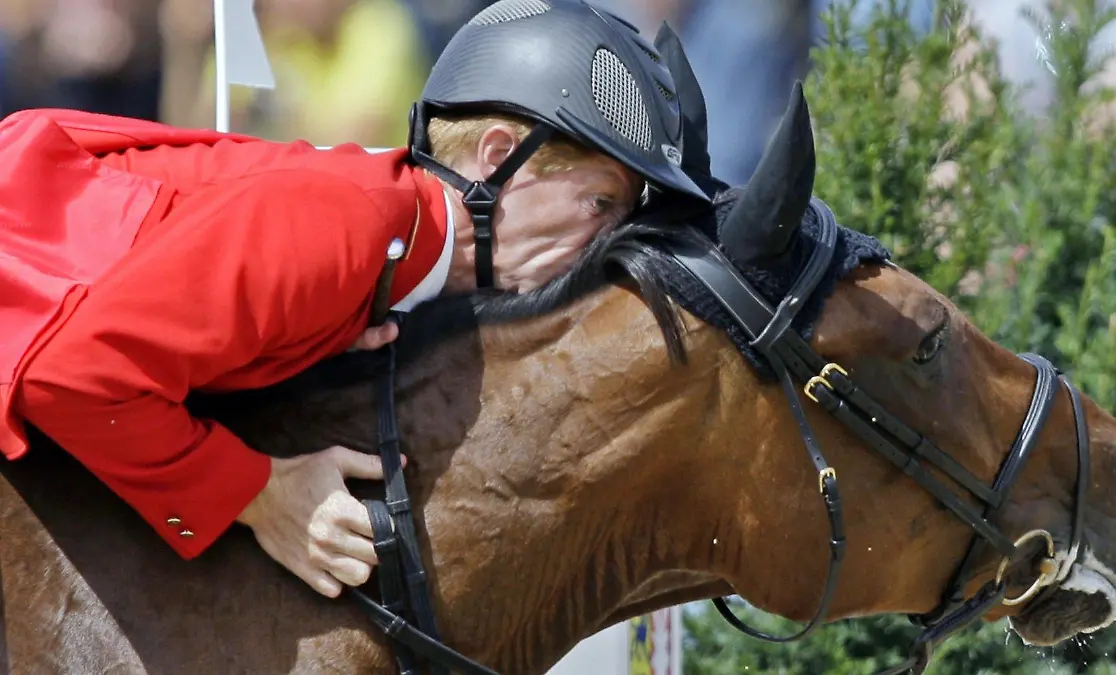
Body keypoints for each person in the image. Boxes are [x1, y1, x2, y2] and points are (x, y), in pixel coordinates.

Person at [0, 0, 706, 600]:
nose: (606, 242)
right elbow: (75, 374)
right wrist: (257, 493)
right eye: (600, 201)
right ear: (496, 160)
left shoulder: (386, 248)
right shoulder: (350, 225)